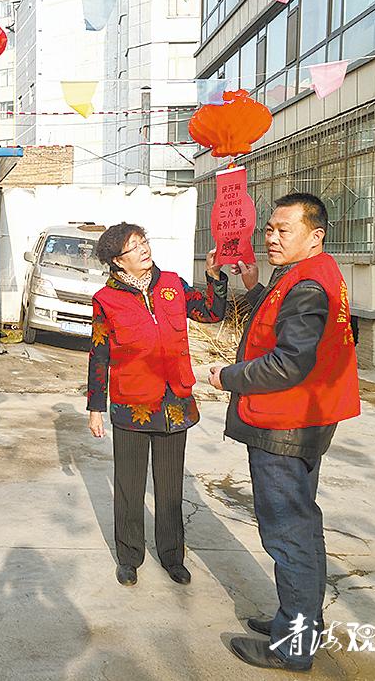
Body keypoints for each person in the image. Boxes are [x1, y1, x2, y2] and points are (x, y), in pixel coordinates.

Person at [208, 193, 360, 672]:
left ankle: (293, 646)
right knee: (303, 530)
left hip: (285, 425)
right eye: (268, 228)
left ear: (315, 235)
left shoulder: (309, 286)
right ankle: (296, 623)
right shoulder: (307, 274)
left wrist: (227, 376)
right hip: (304, 419)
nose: (271, 238)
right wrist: (252, 287)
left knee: (289, 535)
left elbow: (290, 361)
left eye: (283, 230)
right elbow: (276, 324)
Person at [87, 222, 228, 588]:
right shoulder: (106, 300)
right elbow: (99, 354)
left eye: (143, 241)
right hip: (131, 404)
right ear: (118, 262)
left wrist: (214, 276)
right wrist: (95, 406)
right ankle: (129, 556)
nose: (144, 249)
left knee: (169, 486)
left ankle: (171, 556)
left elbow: (212, 313)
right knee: (129, 486)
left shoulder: (173, 285)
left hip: (174, 402)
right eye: (134, 247)